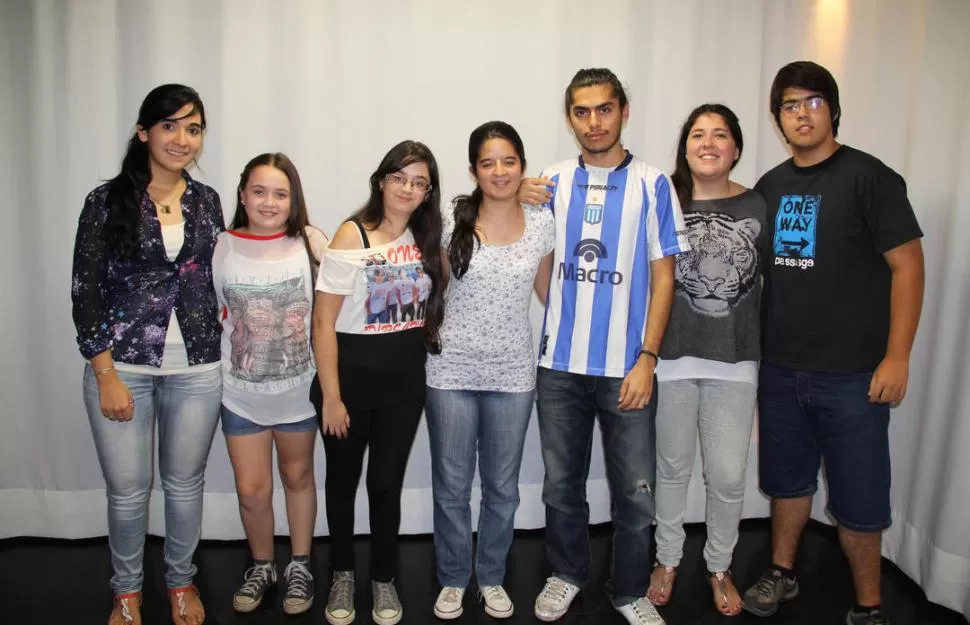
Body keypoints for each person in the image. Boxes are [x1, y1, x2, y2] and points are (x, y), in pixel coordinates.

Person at [741, 61, 924, 625]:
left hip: (854, 375)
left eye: (812, 102)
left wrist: (898, 356)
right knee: (787, 484)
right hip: (782, 368)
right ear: (778, 118)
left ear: (833, 109)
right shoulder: (770, 186)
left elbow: (909, 268)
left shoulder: (872, 178)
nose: (801, 114)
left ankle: (869, 604)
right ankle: (782, 573)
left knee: (860, 501)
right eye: (790, 106)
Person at [518, 68, 689, 625]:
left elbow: (665, 279)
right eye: (582, 111)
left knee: (635, 493)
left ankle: (628, 590)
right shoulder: (551, 181)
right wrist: (561, 309)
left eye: (604, 109)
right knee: (562, 487)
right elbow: (536, 259)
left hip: (627, 369)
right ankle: (566, 574)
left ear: (624, 112)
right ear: (570, 117)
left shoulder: (653, 183)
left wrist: (647, 357)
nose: (594, 122)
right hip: (559, 367)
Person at [71, 84, 224, 625]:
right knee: (129, 492)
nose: (182, 139)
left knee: (185, 486)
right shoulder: (106, 201)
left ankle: (182, 583)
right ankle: (127, 593)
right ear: (144, 132)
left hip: (198, 366)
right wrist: (104, 372)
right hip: (124, 368)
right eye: (170, 126)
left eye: (194, 127)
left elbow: (219, 270)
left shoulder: (206, 201)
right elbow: (84, 290)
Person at [311, 140, 445, 625]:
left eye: (419, 182)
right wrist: (331, 396)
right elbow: (323, 323)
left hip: (403, 387)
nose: (408, 188)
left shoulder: (426, 238)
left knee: (386, 486)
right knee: (343, 484)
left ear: (428, 192)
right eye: (399, 177)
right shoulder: (353, 236)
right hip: (347, 386)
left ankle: (383, 577)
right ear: (382, 180)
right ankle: (343, 574)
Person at [425, 121, 555, 621]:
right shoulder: (451, 220)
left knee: (502, 487)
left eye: (509, 161)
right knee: (452, 486)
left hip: (512, 374)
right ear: (473, 170)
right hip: (450, 371)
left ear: (522, 165)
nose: (499, 171)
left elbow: (550, 295)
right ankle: (455, 578)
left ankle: (493, 577)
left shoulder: (542, 221)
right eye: (487, 163)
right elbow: (427, 285)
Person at [644, 104, 766, 616]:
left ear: (736, 147)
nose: (708, 142)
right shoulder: (662, 197)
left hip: (735, 362)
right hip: (671, 358)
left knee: (728, 476)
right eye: (698, 134)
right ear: (685, 145)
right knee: (670, 469)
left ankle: (720, 565)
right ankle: (667, 558)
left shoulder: (761, 204)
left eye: (720, 135)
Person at [212, 153, 328, 616]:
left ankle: (300, 564)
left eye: (280, 193)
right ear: (243, 195)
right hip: (239, 393)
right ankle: (262, 565)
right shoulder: (220, 245)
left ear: (293, 199)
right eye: (259, 191)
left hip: (299, 391)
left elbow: (338, 307)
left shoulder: (311, 242)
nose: (269, 202)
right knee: (252, 490)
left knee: (298, 477)